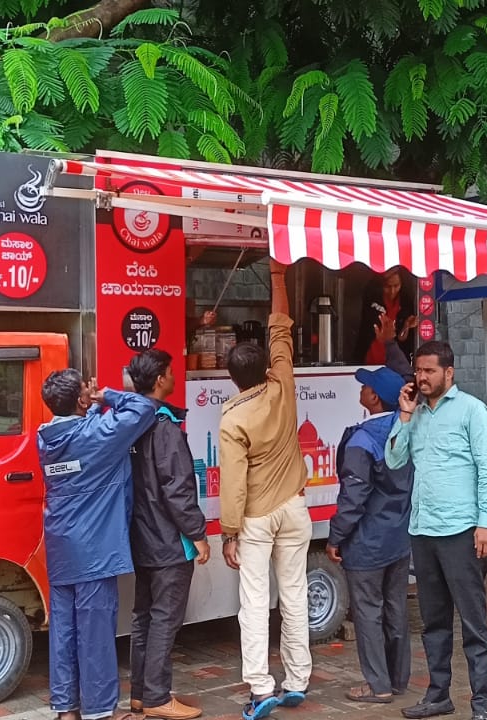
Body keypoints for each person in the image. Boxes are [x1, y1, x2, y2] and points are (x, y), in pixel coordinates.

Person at [217, 259, 311, 720]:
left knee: (254, 602)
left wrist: (228, 532)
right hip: (295, 507)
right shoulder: (283, 383)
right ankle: (297, 680)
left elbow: (234, 483)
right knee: (294, 595)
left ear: (232, 377)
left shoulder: (233, 418)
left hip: (256, 517)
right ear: (265, 368)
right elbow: (280, 329)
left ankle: (260, 687)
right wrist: (277, 276)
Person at [386, 340, 487, 720]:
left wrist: (486, 523)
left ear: (448, 372)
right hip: (423, 530)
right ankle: (438, 696)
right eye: (418, 371)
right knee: (434, 622)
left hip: (462, 532)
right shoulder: (415, 414)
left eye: (429, 371)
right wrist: (404, 416)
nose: (422, 377)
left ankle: (481, 706)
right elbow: (394, 460)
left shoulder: (472, 410)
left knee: (473, 623)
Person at [37, 370, 159, 720]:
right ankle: (100, 710)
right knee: (95, 630)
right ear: (80, 399)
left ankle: (66, 708)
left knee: (63, 630)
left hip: (61, 545)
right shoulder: (96, 434)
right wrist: (106, 396)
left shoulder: (47, 439)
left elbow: (81, 435)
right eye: (84, 392)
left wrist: (87, 406)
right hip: (94, 548)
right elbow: (144, 408)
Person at [327, 328, 414, 704]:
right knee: (396, 608)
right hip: (399, 538)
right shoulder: (407, 429)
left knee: (367, 611)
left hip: (367, 542)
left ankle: (378, 685)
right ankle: (398, 679)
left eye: (365, 386)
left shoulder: (363, 441)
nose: (361, 390)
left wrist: (336, 537)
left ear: (374, 398)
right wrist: (392, 343)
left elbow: (354, 497)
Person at [125, 350, 211, 720]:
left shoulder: (131, 423)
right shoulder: (165, 428)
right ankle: (158, 697)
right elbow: (178, 490)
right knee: (164, 619)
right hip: (168, 542)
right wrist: (198, 534)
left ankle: (140, 695)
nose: (176, 376)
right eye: (172, 372)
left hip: (141, 538)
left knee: (143, 617)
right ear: (161, 379)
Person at [356, 268, 417, 364]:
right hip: (371, 356)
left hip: (394, 360)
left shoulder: (405, 303)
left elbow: (401, 338)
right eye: (388, 286)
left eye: (396, 286)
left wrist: (406, 326)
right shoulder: (371, 298)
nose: (392, 291)